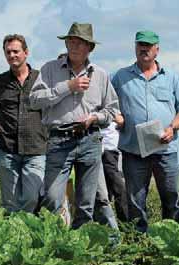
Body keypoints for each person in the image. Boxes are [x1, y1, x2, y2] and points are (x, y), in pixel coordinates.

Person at [30, 22, 119, 228]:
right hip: (59, 140)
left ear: (90, 47)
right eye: (71, 41)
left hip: (90, 139)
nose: (74, 45)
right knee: (52, 198)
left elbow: (112, 110)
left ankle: (81, 253)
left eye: (80, 42)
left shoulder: (100, 75)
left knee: (86, 204)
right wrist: (67, 87)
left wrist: (94, 118)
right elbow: (34, 100)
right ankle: (55, 247)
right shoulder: (50, 69)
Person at [111, 30, 179, 232]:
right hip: (133, 151)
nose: (143, 48)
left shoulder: (171, 78)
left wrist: (172, 128)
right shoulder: (120, 77)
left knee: (171, 198)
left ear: (157, 49)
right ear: (135, 47)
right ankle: (140, 248)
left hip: (165, 150)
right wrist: (117, 116)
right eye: (140, 44)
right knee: (135, 202)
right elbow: (107, 104)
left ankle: (172, 240)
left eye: (148, 45)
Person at [0, 34, 47, 213]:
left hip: (36, 148)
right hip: (7, 148)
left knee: (32, 197)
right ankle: (13, 238)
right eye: (8, 52)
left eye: (16, 51)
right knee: (10, 203)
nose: (12, 55)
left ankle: (29, 235)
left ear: (26, 53)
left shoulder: (42, 79)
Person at [100, 119, 129, 222]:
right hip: (104, 148)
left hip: (113, 149)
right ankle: (126, 226)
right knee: (119, 189)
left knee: (107, 190)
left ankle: (107, 226)